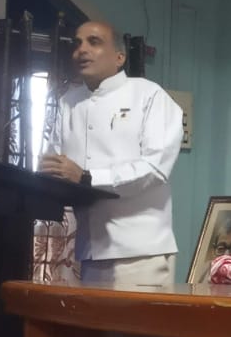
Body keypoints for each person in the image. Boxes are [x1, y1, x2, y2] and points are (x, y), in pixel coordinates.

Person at [39, 21, 183, 291]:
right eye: (77, 43)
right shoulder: (68, 101)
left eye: (93, 42)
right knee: (94, 322)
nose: (82, 50)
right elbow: (58, 164)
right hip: (90, 251)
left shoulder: (149, 95)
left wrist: (86, 177)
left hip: (141, 252)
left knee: (136, 321)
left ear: (120, 57)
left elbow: (155, 168)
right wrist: (49, 176)